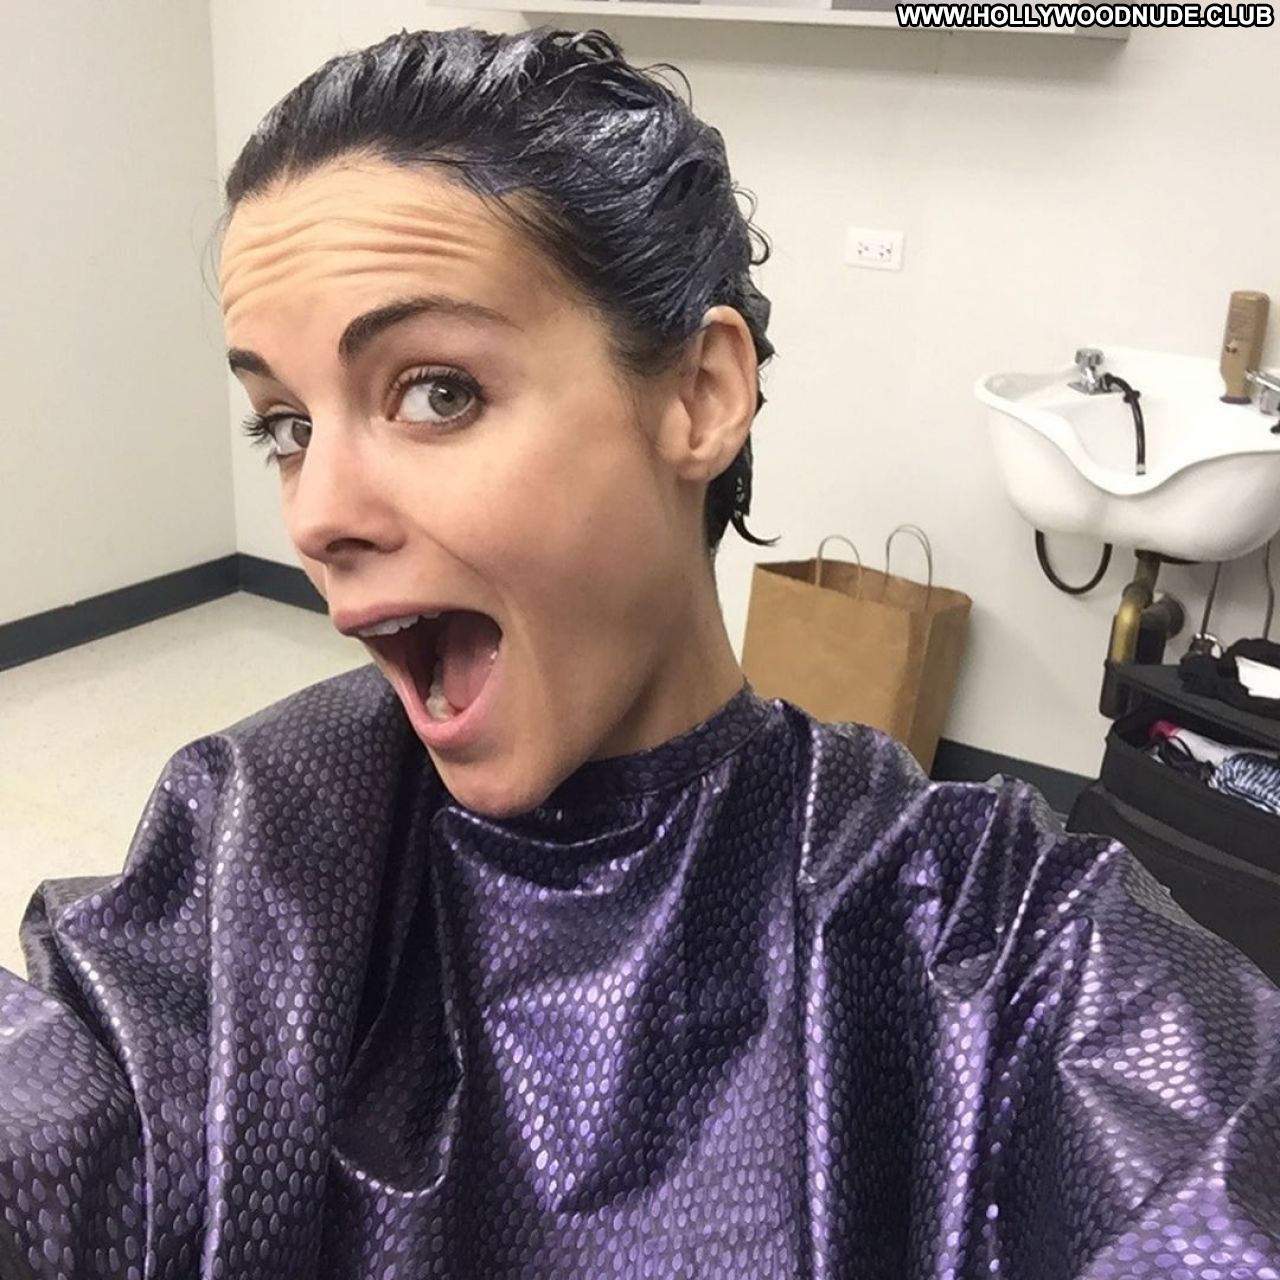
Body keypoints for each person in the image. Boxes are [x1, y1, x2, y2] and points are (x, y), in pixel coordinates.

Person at [1, 25, 1277, 1280]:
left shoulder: (992, 934)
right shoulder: (258, 841)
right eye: (283, 424)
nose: (316, 513)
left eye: (436, 390)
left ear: (700, 395)